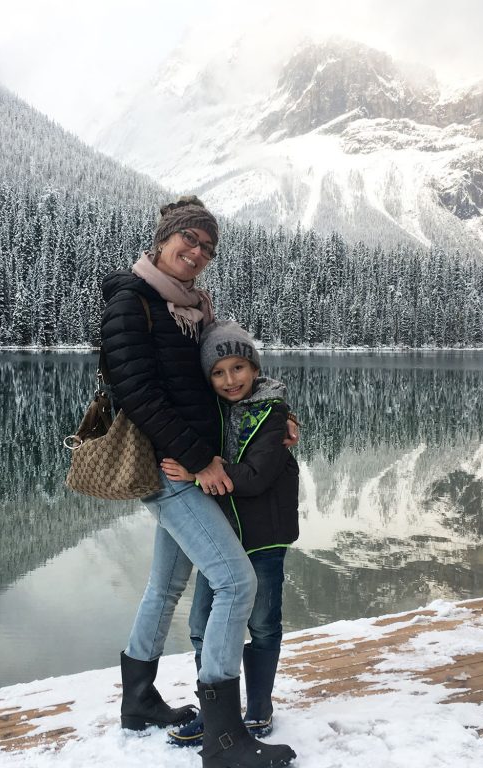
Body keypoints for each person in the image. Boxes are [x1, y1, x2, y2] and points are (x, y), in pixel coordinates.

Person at [100, 197, 296, 768]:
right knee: (237, 583)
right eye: (189, 239)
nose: (197, 252)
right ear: (163, 240)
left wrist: (272, 413)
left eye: (207, 246)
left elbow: (222, 380)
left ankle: (137, 701)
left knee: (165, 587)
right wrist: (200, 461)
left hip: (189, 463)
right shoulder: (131, 302)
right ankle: (224, 737)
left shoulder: (187, 308)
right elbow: (139, 396)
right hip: (172, 470)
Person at [159, 320, 299, 749]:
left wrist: (198, 473)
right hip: (219, 539)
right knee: (202, 626)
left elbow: (255, 478)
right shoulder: (210, 411)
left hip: (264, 538)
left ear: (254, 368)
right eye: (218, 372)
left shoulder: (273, 415)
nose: (229, 380)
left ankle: (257, 709)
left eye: (238, 368)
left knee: (262, 625)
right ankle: (216, 711)